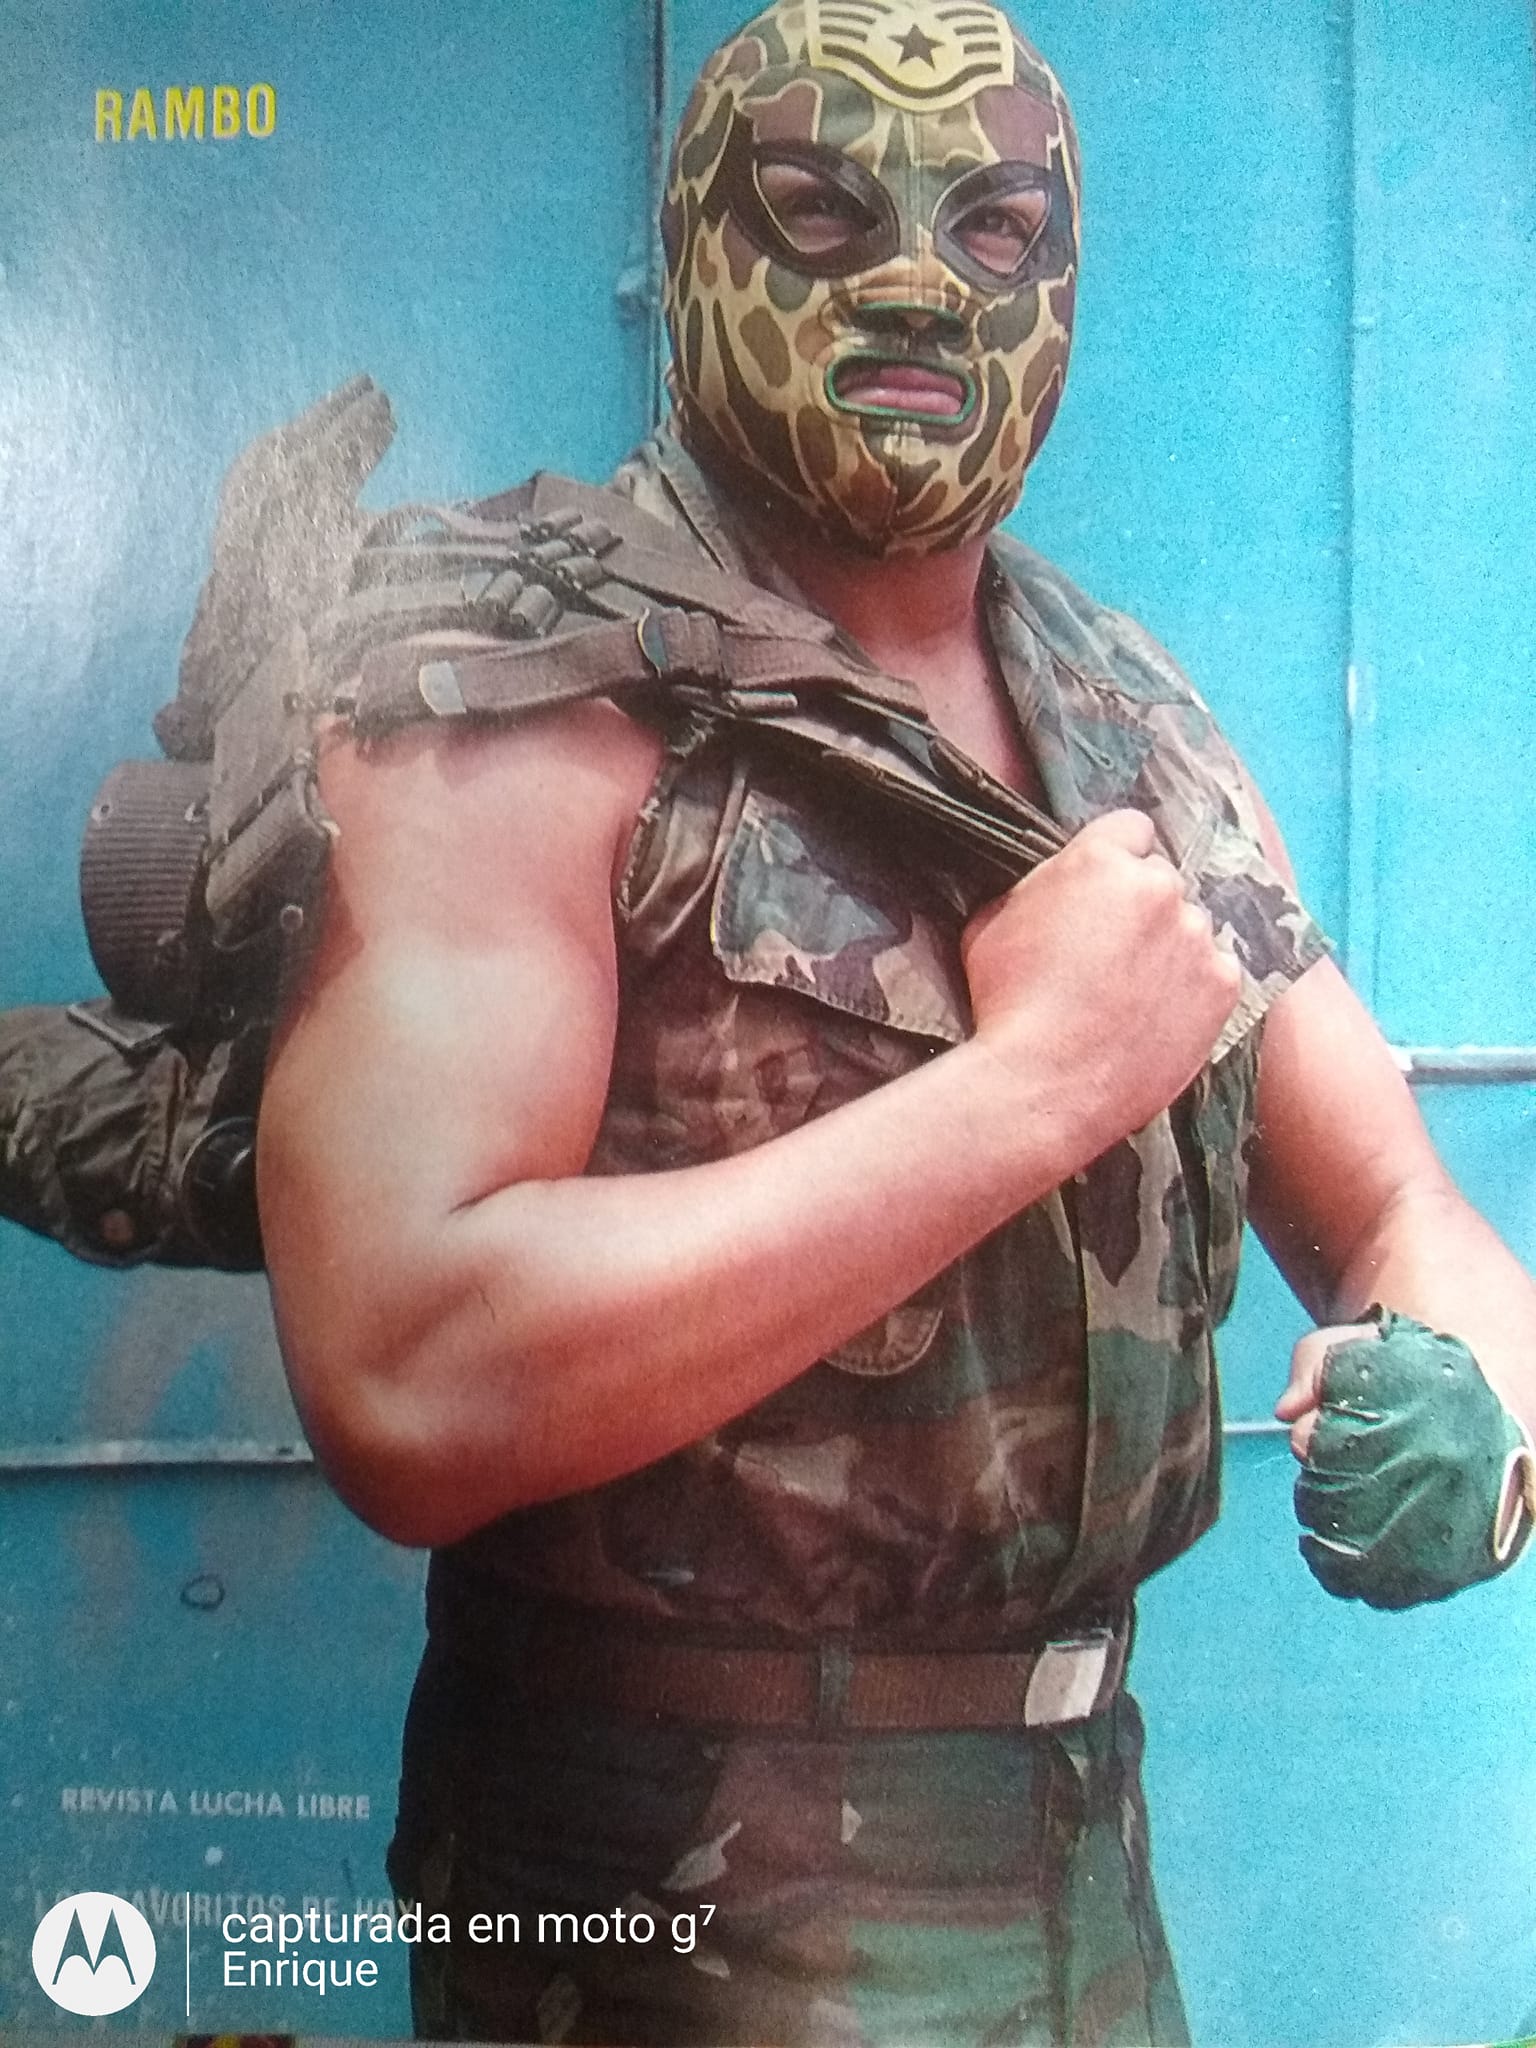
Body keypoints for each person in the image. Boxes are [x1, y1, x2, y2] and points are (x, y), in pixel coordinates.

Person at [249, 3, 1536, 2042]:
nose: (923, 284)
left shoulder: (1130, 712)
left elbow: (1400, 1208)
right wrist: (1028, 1091)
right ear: (696, 243)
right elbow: (402, 1366)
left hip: (1084, 1872)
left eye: (996, 226)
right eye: (825, 211)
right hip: (667, 1899)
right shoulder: (514, 687)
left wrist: (1480, 1404)